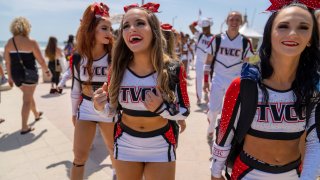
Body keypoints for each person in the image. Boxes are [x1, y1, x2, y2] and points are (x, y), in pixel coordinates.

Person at [210, 3, 320, 180]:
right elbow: (225, 132)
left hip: (293, 174)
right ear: (270, 33)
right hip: (247, 173)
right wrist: (215, 172)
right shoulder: (244, 84)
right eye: (283, 26)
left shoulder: (313, 88)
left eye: (304, 27)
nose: (293, 33)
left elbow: (315, 142)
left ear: (311, 39)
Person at [93, 3, 190, 180]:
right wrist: (100, 107)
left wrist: (161, 108)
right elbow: (113, 112)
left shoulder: (173, 68)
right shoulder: (116, 69)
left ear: (153, 30)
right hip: (125, 143)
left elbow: (185, 110)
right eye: (126, 26)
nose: (132, 29)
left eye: (139, 23)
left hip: (161, 143)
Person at [70, 3, 116, 180]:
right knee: (79, 157)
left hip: (109, 110)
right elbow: (75, 89)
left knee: (114, 153)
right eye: (104, 28)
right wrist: (74, 112)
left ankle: (117, 174)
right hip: (86, 109)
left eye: (110, 28)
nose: (109, 33)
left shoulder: (115, 56)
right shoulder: (77, 57)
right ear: (91, 30)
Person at [203, 11, 254, 153]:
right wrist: (206, 81)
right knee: (213, 110)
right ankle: (210, 128)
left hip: (235, 81)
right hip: (218, 78)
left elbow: (247, 64)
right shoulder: (217, 39)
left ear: (241, 22)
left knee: (231, 112)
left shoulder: (245, 41)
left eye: (237, 19)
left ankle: (223, 136)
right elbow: (208, 61)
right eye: (232, 19)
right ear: (227, 21)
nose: (234, 21)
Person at [4, 17, 50, 134]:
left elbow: (7, 62)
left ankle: (36, 114)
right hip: (29, 74)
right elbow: (41, 61)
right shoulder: (31, 42)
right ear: (26, 28)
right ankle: (24, 127)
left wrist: (9, 77)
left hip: (16, 75)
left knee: (27, 96)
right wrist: (47, 71)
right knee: (26, 100)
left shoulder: (9, 43)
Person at [189, 17, 213, 104]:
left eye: (206, 28)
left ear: (209, 27)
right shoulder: (200, 35)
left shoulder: (214, 38)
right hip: (199, 61)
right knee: (198, 79)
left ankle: (207, 95)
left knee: (209, 80)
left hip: (209, 62)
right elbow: (191, 26)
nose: (204, 29)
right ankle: (199, 97)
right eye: (203, 28)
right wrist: (197, 22)